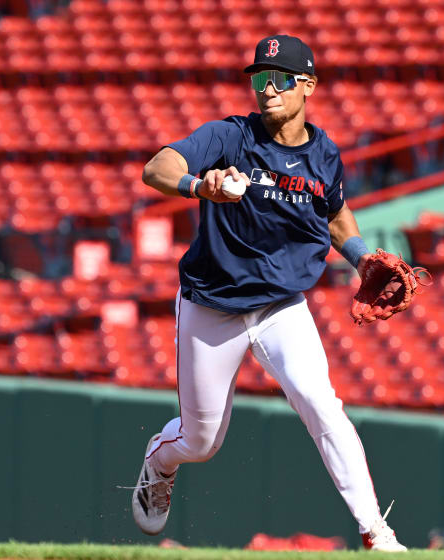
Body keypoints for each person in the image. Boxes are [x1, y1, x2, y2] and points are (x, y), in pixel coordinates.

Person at [132, 35, 406, 553]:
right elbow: (156, 168)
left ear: (308, 85)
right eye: (260, 78)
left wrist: (363, 256)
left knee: (321, 405)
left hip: (282, 306)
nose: (267, 89)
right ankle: (159, 460)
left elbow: (335, 214)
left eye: (279, 78)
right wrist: (199, 186)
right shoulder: (229, 137)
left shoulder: (324, 154)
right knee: (201, 442)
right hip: (213, 303)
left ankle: (377, 533)